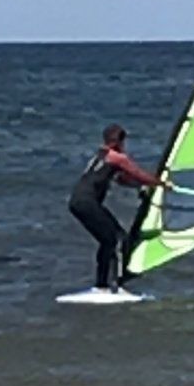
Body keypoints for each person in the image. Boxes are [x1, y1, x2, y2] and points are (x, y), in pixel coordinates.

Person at [69, 124, 163, 292]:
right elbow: (137, 173)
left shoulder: (100, 156)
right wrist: (161, 183)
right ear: (118, 142)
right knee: (119, 239)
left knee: (107, 241)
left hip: (77, 202)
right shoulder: (117, 157)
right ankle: (117, 285)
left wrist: (140, 186)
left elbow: (122, 179)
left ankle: (101, 285)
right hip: (88, 203)